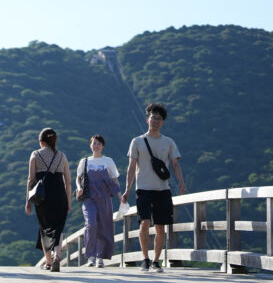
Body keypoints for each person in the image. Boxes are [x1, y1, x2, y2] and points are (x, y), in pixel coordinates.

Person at [122, 103, 186, 273]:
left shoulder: (169, 142)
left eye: (159, 119)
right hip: (143, 188)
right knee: (144, 223)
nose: (155, 121)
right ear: (147, 119)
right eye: (153, 118)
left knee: (160, 226)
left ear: (162, 122)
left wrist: (181, 180)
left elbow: (175, 164)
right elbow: (131, 167)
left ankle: (156, 261)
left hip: (162, 190)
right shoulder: (137, 141)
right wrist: (127, 189)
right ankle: (145, 258)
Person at [25, 127, 70, 271]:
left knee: (44, 228)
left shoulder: (35, 154)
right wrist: (68, 202)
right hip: (60, 196)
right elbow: (68, 181)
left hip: (42, 197)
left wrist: (28, 201)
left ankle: (49, 262)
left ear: (41, 141)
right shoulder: (62, 156)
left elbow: (31, 179)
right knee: (58, 229)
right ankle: (57, 256)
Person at [77, 134, 123, 268]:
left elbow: (114, 180)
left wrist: (120, 195)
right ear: (90, 145)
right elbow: (78, 178)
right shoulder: (84, 161)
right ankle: (90, 256)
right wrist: (79, 187)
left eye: (99, 144)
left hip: (104, 198)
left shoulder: (108, 161)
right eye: (94, 143)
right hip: (89, 198)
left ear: (103, 146)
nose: (96, 146)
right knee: (91, 224)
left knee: (104, 226)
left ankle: (100, 257)